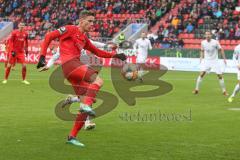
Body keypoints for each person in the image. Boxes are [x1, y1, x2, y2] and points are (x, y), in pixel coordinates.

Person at [37, 10, 126, 147]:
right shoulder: (70, 29)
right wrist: (42, 57)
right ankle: (84, 105)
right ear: (81, 20)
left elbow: (98, 52)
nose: (92, 24)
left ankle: (72, 136)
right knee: (98, 81)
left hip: (72, 70)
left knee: (87, 102)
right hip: (70, 64)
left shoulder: (84, 38)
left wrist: (115, 55)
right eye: (90, 21)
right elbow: (49, 36)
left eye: (93, 22)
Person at [40, 40, 116, 130]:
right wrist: (48, 66)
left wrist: (108, 46)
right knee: (88, 98)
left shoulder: (82, 39)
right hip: (75, 72)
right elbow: (54, 57)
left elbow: (95, 44)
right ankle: (87, 122)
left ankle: (72, 100)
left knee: (89, 98)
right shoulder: (64, 45)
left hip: (85, 70)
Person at [193, 31, 228, 95]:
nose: (208, 36)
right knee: (201, 74)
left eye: (209, 34)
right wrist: (201, 58)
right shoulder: (203, 42)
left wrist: (224, 59)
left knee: (220, 76)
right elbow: (202, 50)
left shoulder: (215, 42)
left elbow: (221, 50)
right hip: (206, 61)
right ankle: (196, 89)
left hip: (215, 61)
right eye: (206, 34)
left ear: (211, 35)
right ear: (205, 36)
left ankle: (224, 91)